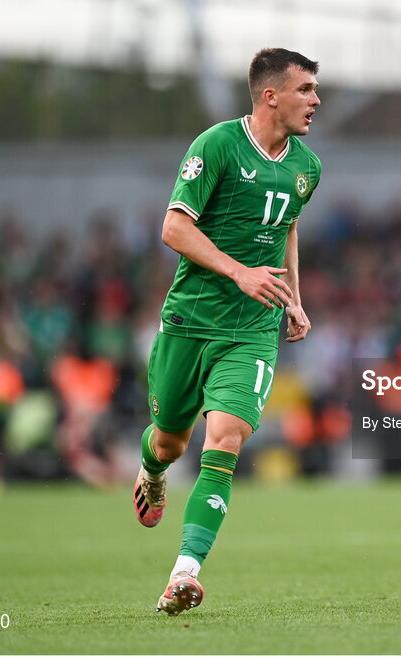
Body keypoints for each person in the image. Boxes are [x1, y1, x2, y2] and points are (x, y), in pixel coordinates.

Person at [133, 47, 321, 615]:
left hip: (252, 331)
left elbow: (286, 226)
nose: (316, 101)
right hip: (191, 319)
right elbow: (173, 227)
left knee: (225, 441)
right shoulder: (216, 145)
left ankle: (184, 574)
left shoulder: (307, 167)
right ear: (271, 95)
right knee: (170, 441)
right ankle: (152, 470)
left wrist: (293, 297)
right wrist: (239, 272)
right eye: (306, 89)